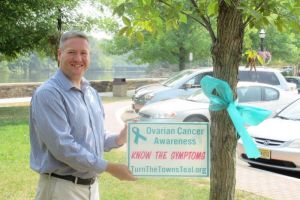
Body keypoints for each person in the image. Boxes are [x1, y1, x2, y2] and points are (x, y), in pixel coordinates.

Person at [29, 31, 136, 200]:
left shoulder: (91, 93)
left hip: (92, 188)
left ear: (89, 57)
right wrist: (109, 167)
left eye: (83, 53)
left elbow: (94, 137)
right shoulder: (48, 94)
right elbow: (63, 147)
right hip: (61, 189)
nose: (78, 59)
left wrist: (119, 139)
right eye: (72, 52)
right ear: (59, 54)